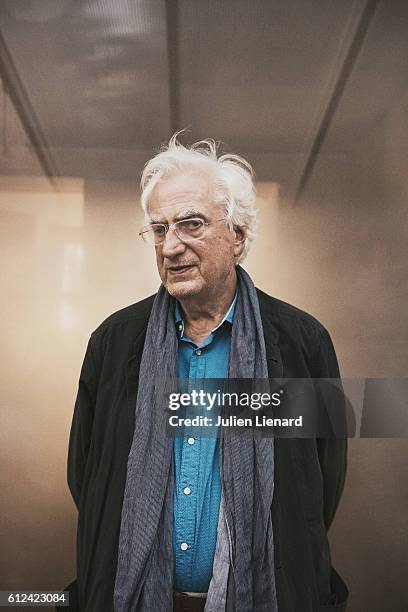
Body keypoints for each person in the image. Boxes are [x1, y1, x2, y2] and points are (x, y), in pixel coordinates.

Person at [65, 134, 348, 611]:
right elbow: (88, 477)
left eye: (190, 225)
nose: (171, 246)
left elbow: (318, 487)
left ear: (237, 235)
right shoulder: (114, 343)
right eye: (159, 229)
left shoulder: (301, 343)